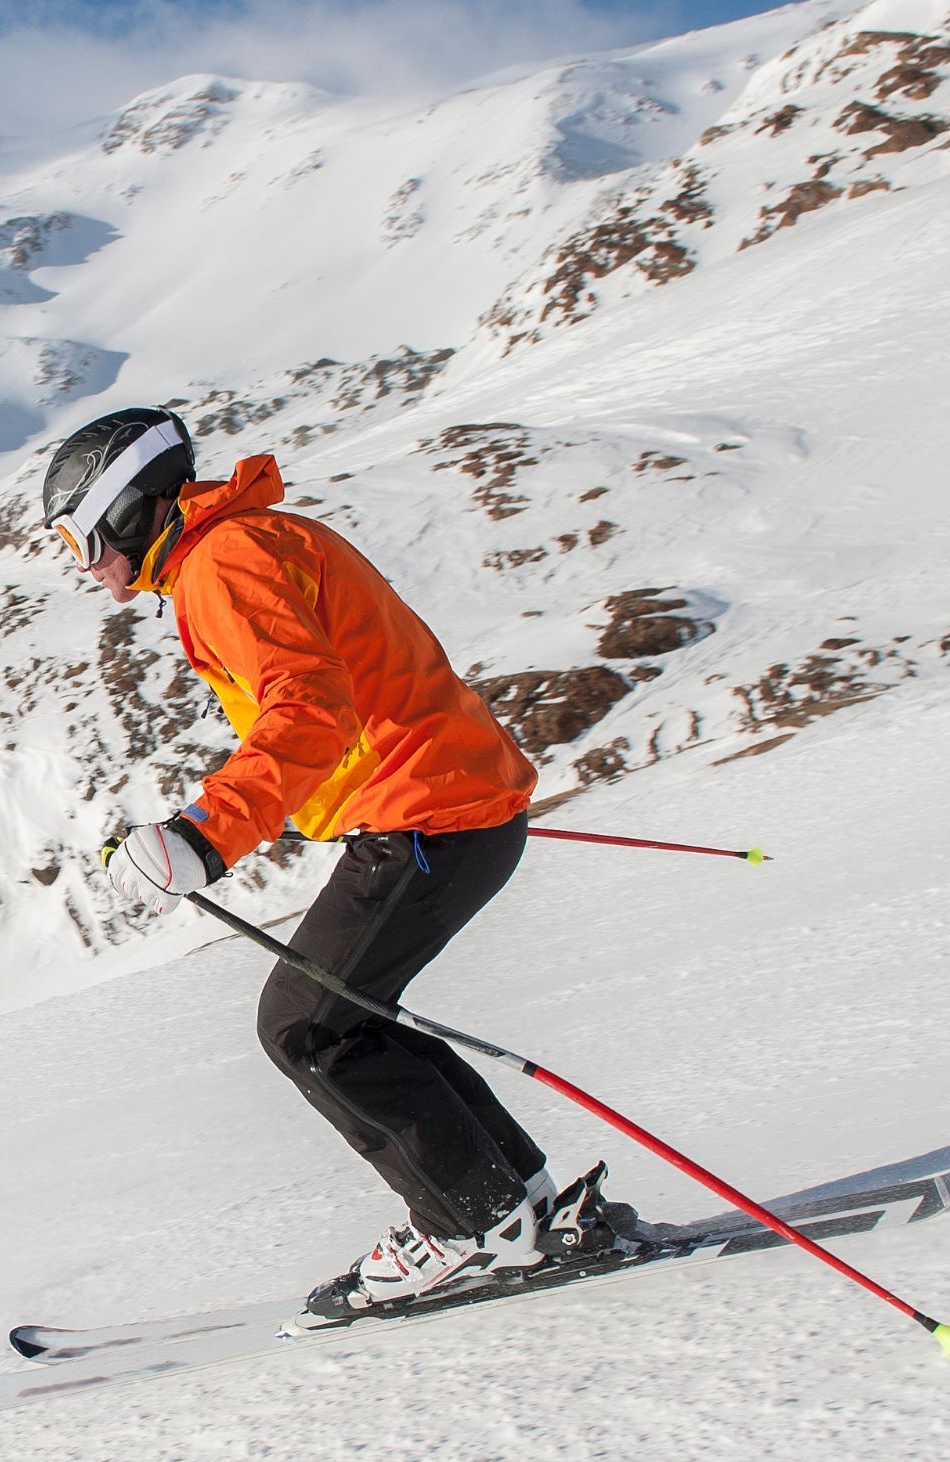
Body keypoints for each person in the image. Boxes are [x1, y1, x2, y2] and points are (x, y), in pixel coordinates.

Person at [46, 407, 626, 1321]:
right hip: (449, 808)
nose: (85, 565)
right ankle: (519, 1207)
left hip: (428, 819)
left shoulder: (222, 563)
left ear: (125, 511)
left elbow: (310, 710)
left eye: (82, 538)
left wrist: (208, 834)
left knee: (305, 1027)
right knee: (351, 1018)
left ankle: (473, 1223)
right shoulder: (249, 541)